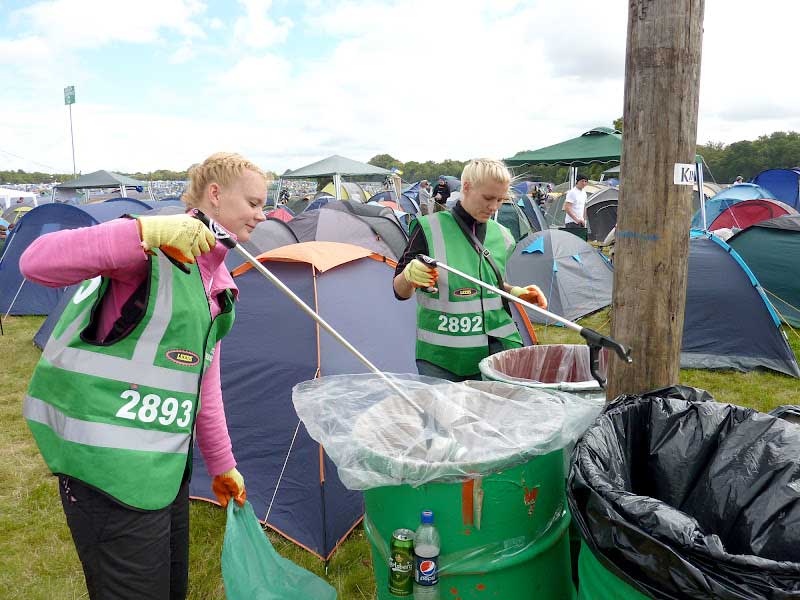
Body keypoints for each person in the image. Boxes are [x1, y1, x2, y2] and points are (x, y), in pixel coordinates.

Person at [20, 152, 269, 599]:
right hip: (106, 474)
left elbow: (202, 384)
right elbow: (36, 262)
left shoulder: (217, 281)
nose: (261, 214)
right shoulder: (148, 250)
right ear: (215, 194)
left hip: (163, 472)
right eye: (252, 202)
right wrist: (143, 231)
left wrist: (222, 463)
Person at [393, 158, 547, 382]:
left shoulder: (503, 235)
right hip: (443, 360)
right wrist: (408, 276)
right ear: (466, 187)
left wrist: (515, 293)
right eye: (487, 198)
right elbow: (399, 291)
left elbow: (486, 284)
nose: (494, 207)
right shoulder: (430, 229)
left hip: (496, 353)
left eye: (500, 200)